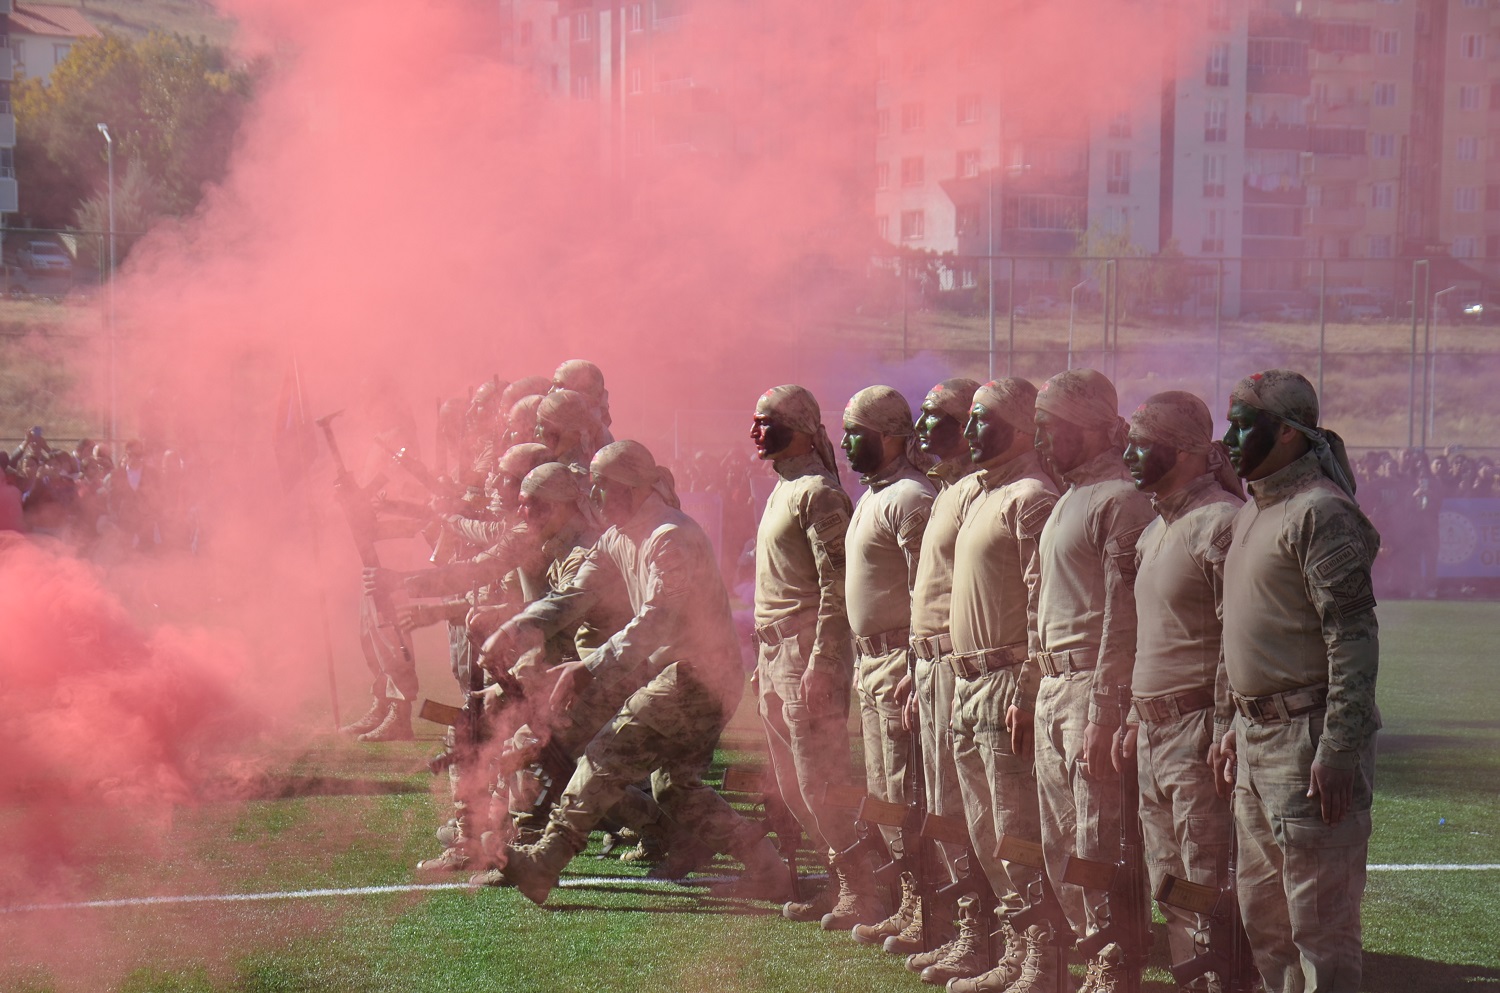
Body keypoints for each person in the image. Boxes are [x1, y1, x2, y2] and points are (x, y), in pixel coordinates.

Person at [474, 441, 788, 905]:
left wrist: (589, 666)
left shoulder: (669, 536)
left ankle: (545, 863)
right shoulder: (619, 536)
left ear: (631, 488)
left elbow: (659, 617)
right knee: (673, 787)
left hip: (698, 676)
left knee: (605, 752)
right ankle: (768, 868)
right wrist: (514, 631)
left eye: (602, 489)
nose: (594, 500)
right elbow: (571, 598)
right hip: (684, 675)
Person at [1213, 370, 1380, 993]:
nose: (1227, 437)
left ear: (1287, 431)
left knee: (1320, 925)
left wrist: (1339, 748)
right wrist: (1235, 722)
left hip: (1307, 743)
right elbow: (1246, 633)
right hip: (1259, 742)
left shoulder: (1322, 513)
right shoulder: (1253, 514)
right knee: (1268, 919)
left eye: (1242, 422)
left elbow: (1354, 639)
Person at [1031, 368, 1156, 991]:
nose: (1043, 437)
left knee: (1095, 833)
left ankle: (1114, 960)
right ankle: (1093, 945)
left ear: (1087, 427)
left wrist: (1106, 709)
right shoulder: (1070, 498)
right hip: (1055, 687)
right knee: (1059, 836)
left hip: (1088, 690)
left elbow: (1122, 615)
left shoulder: (1120, 499)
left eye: (1052, 425)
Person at [1117, 391, 1246, 993]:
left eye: (1144, 442)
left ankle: (1215, 978)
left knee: (1203, 871)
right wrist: (1131, 717)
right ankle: (1191, 977)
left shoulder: (1219, 524)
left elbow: (1233, 643)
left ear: (1187, 451)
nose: (1129, 454)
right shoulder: (1154, 533)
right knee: (1168, 871)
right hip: (1153, 730)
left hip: (1196, 731)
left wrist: (1224, 730)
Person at [941, 378, 1061, 993]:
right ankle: (1016, 947)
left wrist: (1028, 687)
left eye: (983, 419)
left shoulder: (1032, 497)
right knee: (986, 830)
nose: (968, 431)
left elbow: (1045, 605)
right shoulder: (981, 495)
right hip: (967, 683)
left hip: (1006, 678)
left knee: (1016, 830)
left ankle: (1042, 955)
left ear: (1019, 425)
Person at [861, 377, 980, 958]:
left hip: (951, 669)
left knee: (954, 809)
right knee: (916, 800)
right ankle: (925, 907)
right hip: (918, 665)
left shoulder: (926, 497)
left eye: (941, 417)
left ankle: (969, 926)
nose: (925, 429)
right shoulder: (945, 492)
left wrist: (915, 659)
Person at [750, 384, 877, 928]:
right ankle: (841, 879)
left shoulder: (818, 494)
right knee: (792, 786)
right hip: (776, 655)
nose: (756, 432)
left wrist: (824, 660)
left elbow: (838, 582)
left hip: (805, 654)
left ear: (801, 427)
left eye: (767, 422)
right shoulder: (785, 488)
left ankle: (863, 887)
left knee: (818, 780)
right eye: (754, 422)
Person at [839, 385, 935, 940]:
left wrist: (915, 666)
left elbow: (929, 589)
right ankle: (909, 899)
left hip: (898, 662)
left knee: (904, 790)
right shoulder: (875, 496)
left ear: (893, 436)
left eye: (858, 432)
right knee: (884, 792)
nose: (846, 443)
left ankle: (929, 908)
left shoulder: (909, 498)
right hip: (870, 664)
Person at [551, 359, 615, 446]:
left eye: (558, 385)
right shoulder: (575, 427)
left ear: (580, 391)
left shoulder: (589, 435)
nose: (550, 392)